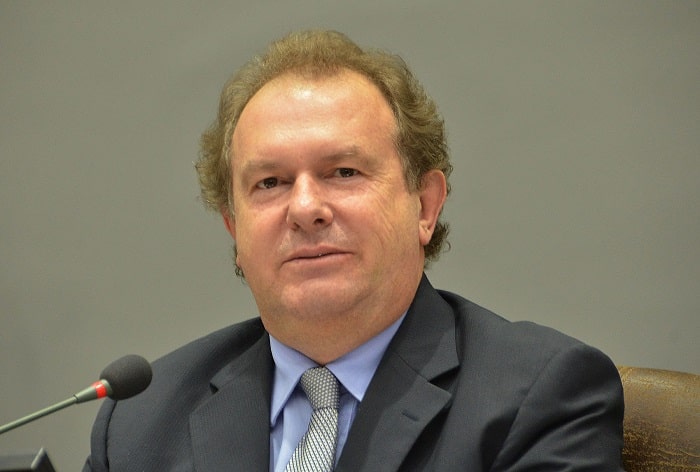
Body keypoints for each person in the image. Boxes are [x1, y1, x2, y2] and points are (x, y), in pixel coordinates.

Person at [84, 30, 624, 471]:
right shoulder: (139, 421)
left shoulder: (536, 397)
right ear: (234, 229)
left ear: (425, 206)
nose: (305, 208)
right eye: (270, 183)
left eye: (343, 172)